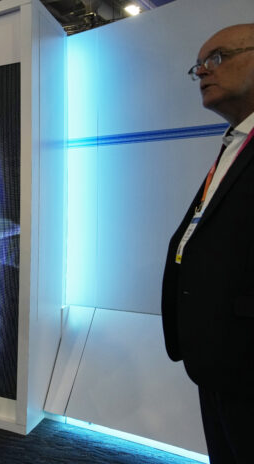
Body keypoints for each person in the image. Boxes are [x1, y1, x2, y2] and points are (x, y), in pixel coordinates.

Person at [162, 23, 254, 463]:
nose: (201, 71)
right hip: (219, 361)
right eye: (198, 64)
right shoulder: (235, 142)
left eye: (217, 58)